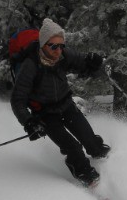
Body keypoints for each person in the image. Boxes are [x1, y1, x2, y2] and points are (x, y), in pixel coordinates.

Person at [11, 18, 110, 186]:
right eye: (53, 46)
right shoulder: (30, 66)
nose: (58, 50)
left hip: (66, 106)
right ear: (43, 44)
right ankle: (87, 177)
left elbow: (81, 61)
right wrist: (28, 122)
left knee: (90, 140)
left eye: (61, 45)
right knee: (73, 148)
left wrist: (92, 61)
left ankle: (103, 160)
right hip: (45, 114)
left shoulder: (63, 55)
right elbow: (17, 100)